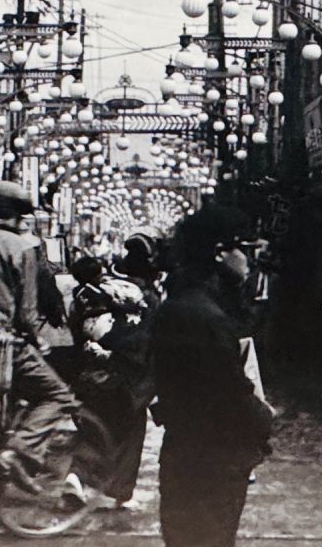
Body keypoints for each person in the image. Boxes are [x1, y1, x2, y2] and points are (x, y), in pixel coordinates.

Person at [0, 180, 82, 495]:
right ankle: (16, 451)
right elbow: (27, 310)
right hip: (2, 342)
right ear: (19, 215)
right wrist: (39, 340)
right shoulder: (23, 247)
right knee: (59, 396)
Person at [152, 207, 273, 547]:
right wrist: (264, 419)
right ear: (220, 253)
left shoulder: (176, 307)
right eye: (244, 250)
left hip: (180, 451)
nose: (249, 259)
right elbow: (231, 391)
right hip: (214, 459)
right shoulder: (209, 317)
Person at [67, 255, 153, 507]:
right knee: (130, 430)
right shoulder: (136, 293)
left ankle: (76, 476)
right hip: (126, 371)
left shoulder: (80, 296)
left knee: (93, 428)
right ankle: (121, 491)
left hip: (91, 370)